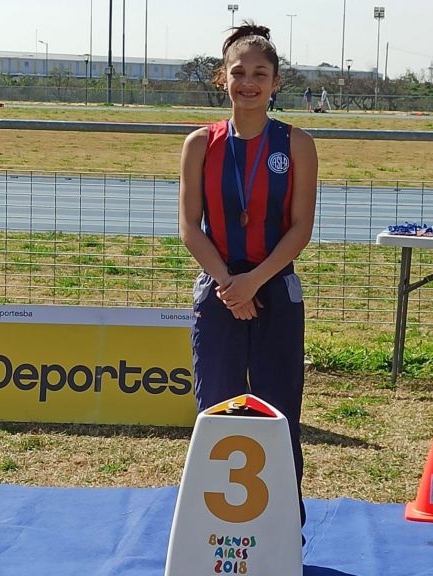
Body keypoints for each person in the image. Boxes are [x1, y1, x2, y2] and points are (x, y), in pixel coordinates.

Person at [179, 21, 318, 533]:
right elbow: (190, 230)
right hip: (217, 290)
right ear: (223, 78)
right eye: (239, 72)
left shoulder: (297, 143)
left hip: (275, 288)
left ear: (276, 81)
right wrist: (229, 286)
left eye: (260, 73)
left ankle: (283, 531)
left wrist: (255, 281)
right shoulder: (200, 143)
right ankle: (211, 530)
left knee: (280, 413)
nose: (249, 82)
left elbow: (300, 228)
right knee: (215, 409)